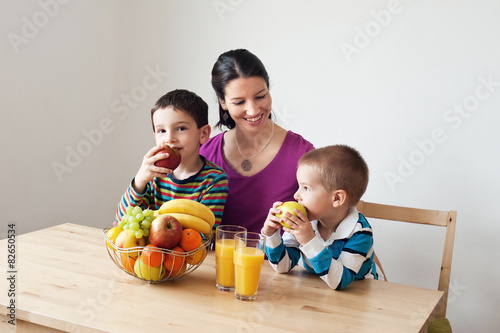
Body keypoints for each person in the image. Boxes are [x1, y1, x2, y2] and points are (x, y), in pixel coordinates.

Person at [200, 49, 314, 233]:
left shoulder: (303, 155)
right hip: (217, 261)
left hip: (278, 262)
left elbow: (330, 221)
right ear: (223, 102)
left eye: (260, 96)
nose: (253, 111)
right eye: (239, 102)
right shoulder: (204, 154)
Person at [262, 145, 382, 290]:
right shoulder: (306, 222)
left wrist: (308, 239)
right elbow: (282, 266)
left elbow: (340, 281)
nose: (296, 196)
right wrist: (271, 234)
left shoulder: (360, 232)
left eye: (306, 188)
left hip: (363, 294)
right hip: (319, 291)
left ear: (337, 198)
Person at [115, 89, 229, 227]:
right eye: (161, 131)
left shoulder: (214, 179)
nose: (169, 139)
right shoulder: (153, 175)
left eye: (181, 128)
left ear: (203, 134)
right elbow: (123, 222)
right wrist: (140, 180)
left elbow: (204, 233)